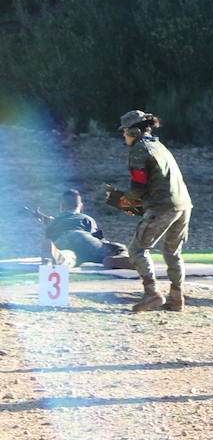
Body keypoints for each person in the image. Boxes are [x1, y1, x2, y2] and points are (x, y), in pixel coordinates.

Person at [107, 110, 194, 313]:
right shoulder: (159, 145)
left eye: (125, 131)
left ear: (135, 131)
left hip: (162, 207)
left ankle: (152, 294)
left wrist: (122, 201)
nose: (124, 135)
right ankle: (176, 298)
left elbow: (138, 186)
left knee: (137, 250)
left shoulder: (140, 149)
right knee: (173, 252)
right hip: (183, 205)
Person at [37, 189, 132, 268]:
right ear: (81, 206)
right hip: (82, 237)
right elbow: (96, 237)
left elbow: (49, 238)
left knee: (70, 256)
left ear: (61, 206)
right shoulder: (86, 218)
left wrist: (50, 225)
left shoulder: (55, 221)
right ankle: (122, 257)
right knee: (117, 247)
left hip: (62, 240)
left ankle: (59, 256)